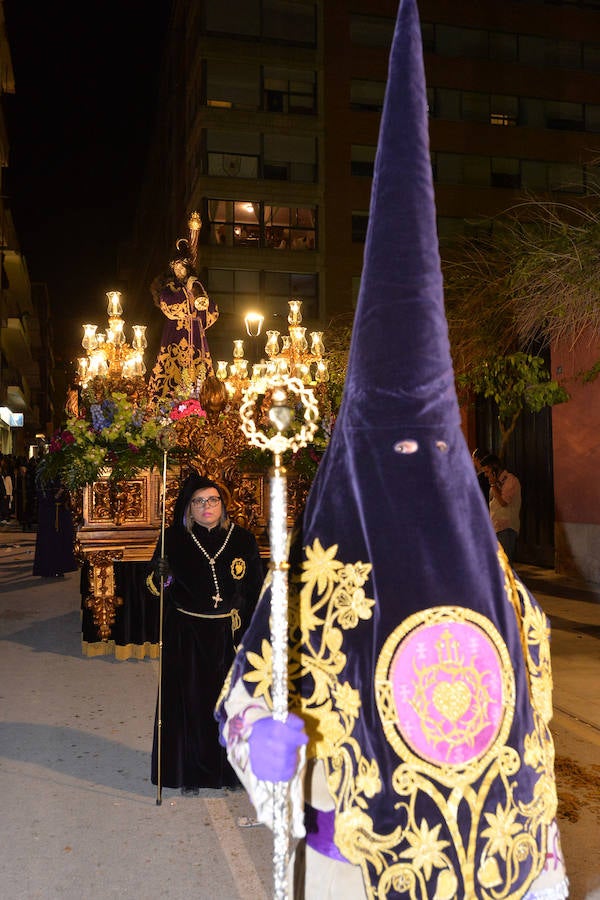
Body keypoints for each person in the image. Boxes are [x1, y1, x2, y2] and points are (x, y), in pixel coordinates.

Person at [216, 2, 568, 898]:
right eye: (395, 444)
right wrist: (260, 744)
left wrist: (543, 876)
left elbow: (530, 756)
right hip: (355, 874)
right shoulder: (308, 576)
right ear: (354, 450)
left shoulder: (509, 596)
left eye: (434, 444)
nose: (417, 458)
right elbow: (244, 698)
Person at [147, 473, 264, 792]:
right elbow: (157, 589)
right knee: (191, 706)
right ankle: (190, 774)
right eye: (198, 501)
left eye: (212, 500)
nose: (206, 506)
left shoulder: (242, 539)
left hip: (230, 635)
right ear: (188, 508)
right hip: (187, 635)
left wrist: (255, 635)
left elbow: (255, 589)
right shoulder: (173, 538)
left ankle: (230, 772)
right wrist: (163, 575)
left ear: (223, 505)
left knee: (230, 706)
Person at [148, 236, 219, 399]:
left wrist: (199, 297)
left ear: (188, 268)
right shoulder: (169, 288)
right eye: (176, 268)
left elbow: (210, 312)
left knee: (199, 371)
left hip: (196, 333)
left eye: (182, 268)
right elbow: (168, 307)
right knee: (173, 369)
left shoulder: (196, 286)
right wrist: (186, 291)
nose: (179, 271)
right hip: (175, 333)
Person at [480, 452, 521, 564]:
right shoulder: (496, 483)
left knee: (505, 564)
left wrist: (493, 485)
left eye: (487, 471)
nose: (486, 475)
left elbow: (503, 502)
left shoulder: (510, 480)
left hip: (506, 528)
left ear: (495, 469)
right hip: (496, 527)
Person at [32, 477, 77, 577]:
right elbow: (44, 498)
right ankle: (47, 569)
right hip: (49, 515)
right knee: (48, 541)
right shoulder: (43, 478)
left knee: (62, 540)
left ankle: (60, 568)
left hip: (61, 513)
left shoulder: (61, 476)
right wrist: (58, 493)